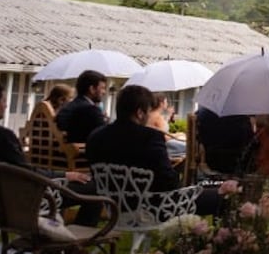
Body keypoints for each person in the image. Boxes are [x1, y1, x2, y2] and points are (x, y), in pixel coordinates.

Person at [86, 84, 222, 216]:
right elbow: (169, 182)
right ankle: (220, 238)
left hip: (114, 207)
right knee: (222, 196)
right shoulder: (149, 137)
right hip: (155, 208)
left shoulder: (95, 137)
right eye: (149, 111)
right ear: (140, 113)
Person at [0, 81, 101, 225]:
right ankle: (79, 238)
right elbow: (28, 173)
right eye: (4, 101)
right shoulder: (1, 136)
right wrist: (65, 175)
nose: (6, 105)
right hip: (15, 199)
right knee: (95, 187)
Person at [195, 106, 255, 175]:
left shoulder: (203, 112)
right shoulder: (242, 116)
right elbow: (250, 140)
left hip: (211, 161)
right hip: (236, 164)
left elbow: (199, 138)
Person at [55, 69, 109, 142]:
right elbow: (106, 137)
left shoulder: (68, 106)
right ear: (92, 89)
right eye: (102, 88)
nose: (104, 92)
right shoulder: (91, 110)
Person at [147, 92, 187, 157]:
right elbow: (163, 137)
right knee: (188, 146)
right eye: (166, 101)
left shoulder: (152, 114)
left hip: (157, 143)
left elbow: (162, 130)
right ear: (161, 103)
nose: (167, 103)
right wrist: (177, 135)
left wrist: (169, 114)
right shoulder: (157, 117)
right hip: (163, 145)